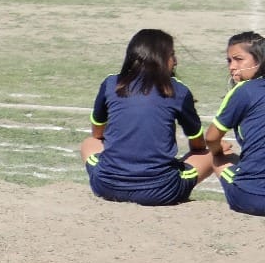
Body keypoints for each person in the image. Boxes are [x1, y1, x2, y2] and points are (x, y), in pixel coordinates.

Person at [79, 28, 215, 206]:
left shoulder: (111, 83)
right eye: (172, 55)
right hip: (160, 191)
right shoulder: (179, 90)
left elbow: (97, 133)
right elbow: (197, 144)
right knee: (220, 150)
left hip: (106, 186)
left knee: (89, 143)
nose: (176, 61)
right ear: (160, 58)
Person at [204, 32, 265, 216]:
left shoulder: (244, 91)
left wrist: (217, 151)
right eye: (229, 61)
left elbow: (211, 137)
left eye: (238, 59)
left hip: (252, 198)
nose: (232, 67)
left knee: (219, 154)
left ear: (260, 60)